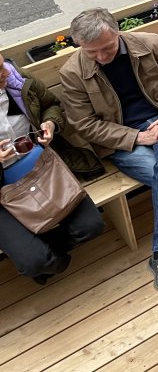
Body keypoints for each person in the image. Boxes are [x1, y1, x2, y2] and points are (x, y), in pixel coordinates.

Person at [59, 8, 158, 293]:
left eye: (106, 48)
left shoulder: (150, 43)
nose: (101, 57)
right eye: (91, 52)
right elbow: (84, 124)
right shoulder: (72, 73)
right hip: (122, 140)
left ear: (117, 31)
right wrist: (136, 137)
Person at [0, 53, 105, 284]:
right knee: (34, 262)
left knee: (91, 226)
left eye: (1, 64)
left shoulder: (17, 78)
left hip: (43, 167)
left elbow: (51, 105)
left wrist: (50, 123)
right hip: (2, 188)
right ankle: (48, 260)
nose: (5, 72)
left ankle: (43, 251)